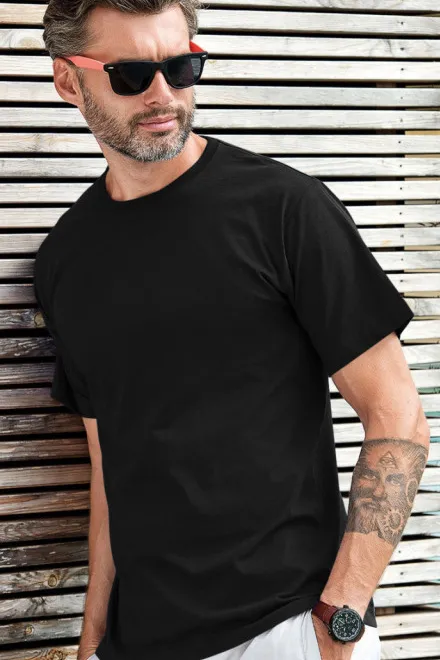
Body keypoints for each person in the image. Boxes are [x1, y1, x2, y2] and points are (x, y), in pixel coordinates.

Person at [34, 1, 430, 659]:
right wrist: (93, 638)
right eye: (130, 74)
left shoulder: (285, 210)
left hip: (288, 631)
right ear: (68, 81)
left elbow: (398, 417)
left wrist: (340, 621)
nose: (163, 95)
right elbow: (110, 466)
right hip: (140, 643)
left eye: (181, 67)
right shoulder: (65, 259)